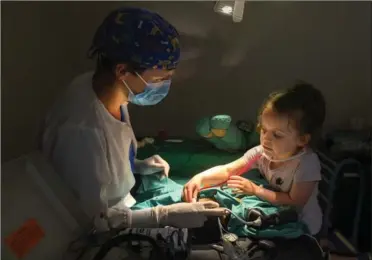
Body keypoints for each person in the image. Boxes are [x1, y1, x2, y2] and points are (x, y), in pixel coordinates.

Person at [41, 7, 226, 231]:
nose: (164, 85)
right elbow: (92, 222)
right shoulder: (81, 132)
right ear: (122, 71)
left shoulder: (104, 89)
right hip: (97, 229)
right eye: (159, 78)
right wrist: (163, 215)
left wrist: (134, 166)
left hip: (122, 204)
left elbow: (104, 163)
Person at [183, 82, 326, 235]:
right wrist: (199, 179)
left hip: (303, 225)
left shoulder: (306, 164)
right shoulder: (261, 153)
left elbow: (294, 201)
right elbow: (228, 170)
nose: (266, 139)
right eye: (263, 130)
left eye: (277, 135)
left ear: (302, 140)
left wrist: (255, 190)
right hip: (278, 213)